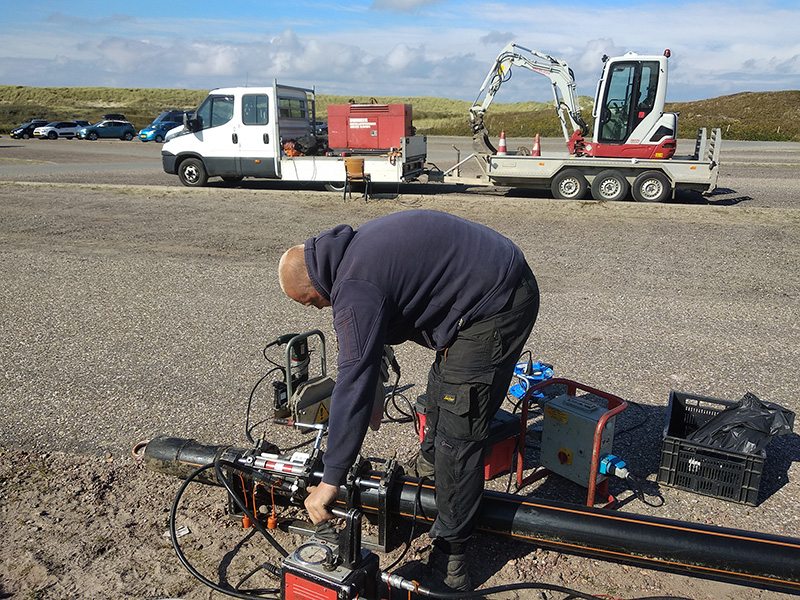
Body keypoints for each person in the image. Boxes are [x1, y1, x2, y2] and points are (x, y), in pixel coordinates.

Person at [278, 209, 539, 590]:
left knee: (457, 433)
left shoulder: (354, 285)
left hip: (496, 304)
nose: (319, 309)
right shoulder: (352, 253)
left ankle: (451, 564)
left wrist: (331, 479)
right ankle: (423, 493)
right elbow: (372, 335)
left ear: (315, 288)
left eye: (311, 303)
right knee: (439, 395)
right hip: (486, 287)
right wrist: (378, 384)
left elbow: (352, 377)